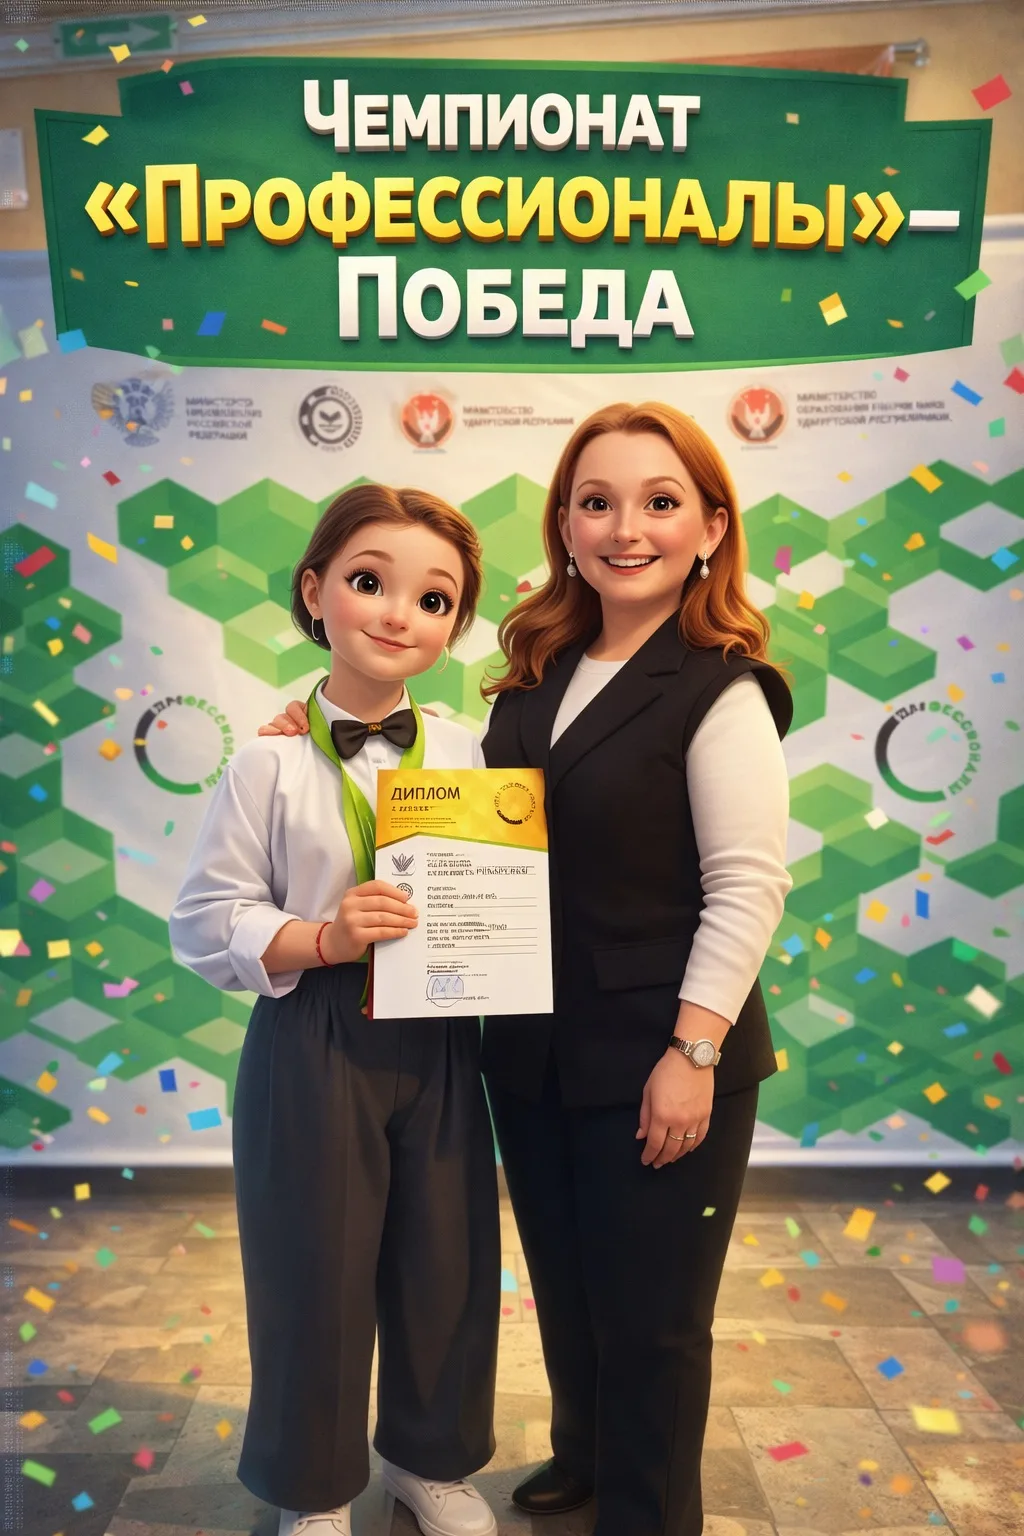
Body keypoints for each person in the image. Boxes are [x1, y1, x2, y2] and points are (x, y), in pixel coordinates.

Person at [260, 402, 794, 1536]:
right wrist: (302, 739)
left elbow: (749, 887)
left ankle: (648, 1514)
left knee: (654, 1315)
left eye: (659, 502)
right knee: (569, 1283)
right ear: (564, 524)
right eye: (596, 502)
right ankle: (586, 1459)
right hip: (533, 1047)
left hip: (665, 1052)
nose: (625, 528)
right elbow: (449, 807)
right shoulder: (533, 676)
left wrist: (694, 1051)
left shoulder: (722, 686)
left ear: (710, 527)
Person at [169, 484, 501, 1536]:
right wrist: (322, 936)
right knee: (312, 1268)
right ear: (315, 591)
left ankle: (427, 1459)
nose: (401, 614)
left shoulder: (471, 752)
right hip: (313, 1040)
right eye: (369, 581)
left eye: (434, 599)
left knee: (447, 1263)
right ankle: (311, 1486)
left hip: (441, 1040)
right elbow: (204, 920)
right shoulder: (265, 761)